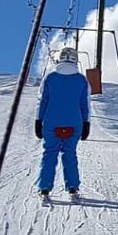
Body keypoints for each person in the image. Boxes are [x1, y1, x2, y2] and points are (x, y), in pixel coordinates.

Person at [35, 46, 90, 200]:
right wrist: (86, 123)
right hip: (74, 122)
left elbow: (42, 100)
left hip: (52, 122)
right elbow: (85, 104)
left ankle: (44, 188)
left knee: (49, 154)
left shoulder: (50, 78)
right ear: (75, 60)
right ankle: (73, 187)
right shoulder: (81, 80)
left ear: (60, 58)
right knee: (70, 153)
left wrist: (38, 120)